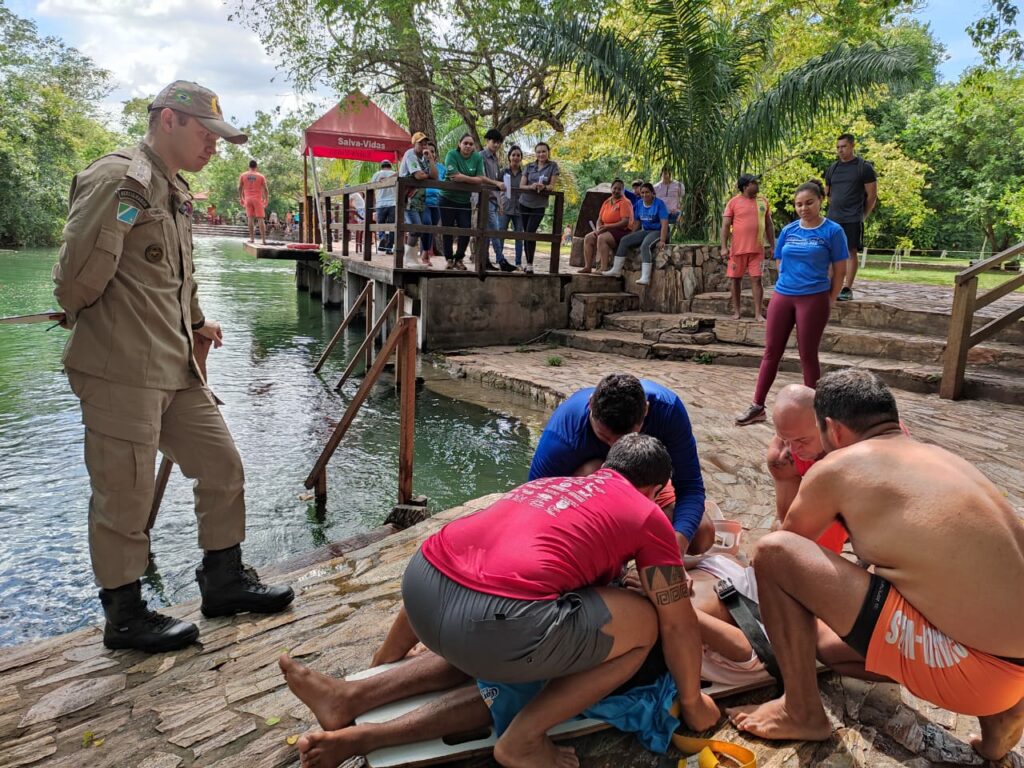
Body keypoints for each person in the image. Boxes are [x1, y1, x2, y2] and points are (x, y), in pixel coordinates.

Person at [51, 80, 294, 654]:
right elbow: (75, 281)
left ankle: (223, 580)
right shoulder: (121, 181)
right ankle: (126, 615)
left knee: (222, 465)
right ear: (168, 121)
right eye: (206, 133)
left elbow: (173, 278)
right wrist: (91, 314)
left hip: (173, 364)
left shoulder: (172, 190)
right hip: (120, 368)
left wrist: (198, 322)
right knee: (124, 495)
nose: (215, 145)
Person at [727, 370, 1024, 764]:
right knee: (833, 649)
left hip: (975, 672)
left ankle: (800, 710)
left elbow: (790, 551)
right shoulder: (936, 455)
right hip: (1011, 662)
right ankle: (1001, 716)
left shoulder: (836, 469)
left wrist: (783, 477)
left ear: (831, 428)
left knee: (772, 552)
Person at [400, 434, 721, 768]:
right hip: (491, 627)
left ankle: (352, 699)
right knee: (645, 623)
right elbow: (677, 621)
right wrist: (692, 701)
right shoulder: (646, 512)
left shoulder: (555, 485)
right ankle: (524, 739)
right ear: (655, 490)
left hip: (421, 593)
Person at [529, 374, 711, 557]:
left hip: (640, 481)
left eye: (626, 438)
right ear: (591, 404)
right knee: (594, 469)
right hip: (588, 495)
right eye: (605, 438)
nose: (615, 447)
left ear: (646, 410)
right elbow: (535, 503)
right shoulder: (563, 435)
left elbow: (690, 486)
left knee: (702, 535)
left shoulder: (668, 411)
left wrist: (677, 545)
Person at [735, 180, 847, 426]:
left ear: (821, 201)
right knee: (771, 352)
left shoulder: (833, 231)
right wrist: (787, 279)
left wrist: (831, 298)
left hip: (814, 298)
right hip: (784, 296)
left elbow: (840, 270)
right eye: (799, 204)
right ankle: (757, 405)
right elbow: (779, 259)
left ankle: (815, 412)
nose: (803, 208)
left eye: (809, 203)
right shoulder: (789, 230)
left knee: (808, 355)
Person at [765, 385, 848, 554]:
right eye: (785, 439)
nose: (794, 450)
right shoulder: (782, 457)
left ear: (827, 425)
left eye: (802, 440)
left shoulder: (852, 445)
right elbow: (787, 522)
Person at [825, 133, 877, 302]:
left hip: (853, 218)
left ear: (852, 146)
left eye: (844, 146)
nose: (840, 150)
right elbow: (828, 194)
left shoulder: (864, 167)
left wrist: (862, 215)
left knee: (850, 252)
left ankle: (847, 288)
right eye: (838, 147)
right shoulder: (832, 168)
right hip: (833, 218)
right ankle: (830, 286)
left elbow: (872, 196)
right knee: (831, 253)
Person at [440, 133, 503, 271]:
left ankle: (459, 258)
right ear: (459, 144)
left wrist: (468, 178)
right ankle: (449, 259)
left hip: (464, 200)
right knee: (447, 229)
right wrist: (473, 179)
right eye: (465, 143)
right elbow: (454, 176)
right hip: (447, 198)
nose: (468, 146)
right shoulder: (451, 154)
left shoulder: (477, 157)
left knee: (466, 229)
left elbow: (481, 177)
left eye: (470, 144)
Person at [721, 174, 774, 322]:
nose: (757, 185)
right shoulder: (733, 202)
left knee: (757, 280)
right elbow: (725, 226)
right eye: (754, 183)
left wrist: (772, 246)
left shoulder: (763, 201)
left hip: (757, 250)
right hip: (737, 250)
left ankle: (758, 314)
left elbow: (769, 225)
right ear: (745, 187)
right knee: (735, 280)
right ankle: (737, 312)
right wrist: (724, 247)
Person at [604, 182, 668, 286]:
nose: (644, 195)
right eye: (642, 192)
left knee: (645, 245)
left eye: (647, 192)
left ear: (653, 193)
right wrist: (631, 235)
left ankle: (645, 277)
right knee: (624, 240)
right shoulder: (639, 204)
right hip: (646, 231)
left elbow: (664, 223)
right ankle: (616, 270)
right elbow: (637, 222)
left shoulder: (659, 203)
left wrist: (662, 240)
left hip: (659, 231)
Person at [518, 142, 560, 274]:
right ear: (535, 153)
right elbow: (521, 186)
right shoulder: (529, 166)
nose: (541, 154)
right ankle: (528, 263)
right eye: (538, 152)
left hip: (539, 205)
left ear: (548, 152)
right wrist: (531, 186)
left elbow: (552, 186)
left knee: (531, 231)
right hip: (524, 203)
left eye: (543, 151)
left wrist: (544, 187)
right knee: (526, 233)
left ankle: (530, 263)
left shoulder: (553, 166)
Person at [398, 131, 438, 268]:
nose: (423, 145)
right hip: (408, 197)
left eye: (425, 143)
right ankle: (408, 259)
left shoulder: (424, 157)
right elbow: (419, 175)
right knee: (416, 227)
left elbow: (434, 175)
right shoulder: (410, 154)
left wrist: (431, 159)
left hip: (420, 199)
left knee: (421, 227)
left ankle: (412, 258)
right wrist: (425, 175)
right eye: (421, 143)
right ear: (414, 144)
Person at [481, 128, 515, 272]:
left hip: (493, 199)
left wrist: (500, 202)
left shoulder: (495, 159)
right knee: (494, 229)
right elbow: (482, 177)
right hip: (483, 197)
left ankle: (485, 260)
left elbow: (496, 182)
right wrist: (496, 185)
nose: (496, 145)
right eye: (494, 142)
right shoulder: (480, 156)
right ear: (488, 141)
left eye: (498, 143)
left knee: (489, 231)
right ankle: (501, 260)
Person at [581, 179, 633, 274]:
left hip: (621, 231)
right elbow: (599, 219)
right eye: (615, 188)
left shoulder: (625, 202)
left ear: (623, 190)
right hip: (605, 230)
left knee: (602, 238)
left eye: (619, 189)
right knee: (588, 238)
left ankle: (603, 268)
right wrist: (598, 229)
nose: (616, 191)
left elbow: (625, 222)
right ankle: (587, 266)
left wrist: (607, 227)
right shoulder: (607, 202)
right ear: (611, 189)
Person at [500, 145, 525, 268]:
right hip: (505, 207)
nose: (515, 157)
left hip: (520, 209)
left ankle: (518, 262)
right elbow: (496, 188)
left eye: (518, 155)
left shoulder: (525, 173)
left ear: (521, 158)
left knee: (519, 236)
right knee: (501, 234)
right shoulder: (503, 172)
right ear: (509, 157)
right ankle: (500, 260)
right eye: (513, 155)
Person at [238, 159, 270, 244]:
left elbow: (240, 187)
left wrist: (241, 198)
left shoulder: (243, 175)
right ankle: (263, 240)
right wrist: (266, 199)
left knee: (250, 218)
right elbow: (266, 189)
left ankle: (252, 239)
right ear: (256, 167)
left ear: (249, 166)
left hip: (248, 199)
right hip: (257, 199)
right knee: (260, 219)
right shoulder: (260, 176)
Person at [422, 141, 445, 261]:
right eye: (427, 151)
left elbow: (446, 181)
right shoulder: (420, 165)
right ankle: (425, 253)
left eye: (432, 151)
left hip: (437, 201)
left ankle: (425, 253)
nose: (430, 154)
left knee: (432, 229)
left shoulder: (441, 168)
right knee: (427, 224)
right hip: (423, 201)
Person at [370, 160, 398, 254]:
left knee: (380, 224)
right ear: (390, 166)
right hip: (393, 203)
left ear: (381, 166)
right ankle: (389, 248)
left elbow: (371, 187)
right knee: (392, 226)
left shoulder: (376, 174)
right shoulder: (395, 174)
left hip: (380, 203)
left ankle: (383, 238)